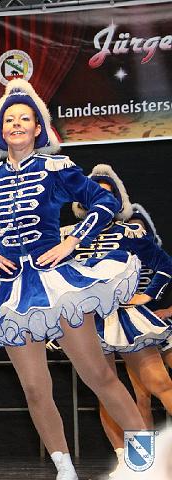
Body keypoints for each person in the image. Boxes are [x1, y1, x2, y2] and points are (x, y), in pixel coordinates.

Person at [0, 79, 146, 480]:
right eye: (9, 120)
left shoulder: (57, 168)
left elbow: (105, 201)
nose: (16, 124)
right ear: (0, 131)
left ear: (38, 128)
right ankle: (64, 469)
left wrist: (73, 240)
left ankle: (147, 461)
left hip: (58, 286)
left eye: (25, 119)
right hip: (11, 294)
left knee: (98, 375)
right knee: (35, 388)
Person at [66, 182, 172, 478]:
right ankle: (132, 461)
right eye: (95, 193)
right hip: (87, 322)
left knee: (159, 383)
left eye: (108, 194)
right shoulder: (66, 238)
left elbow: (164, 265)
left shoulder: (129, 233)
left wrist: (146, 296)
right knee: (108, 392)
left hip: (126, 319)